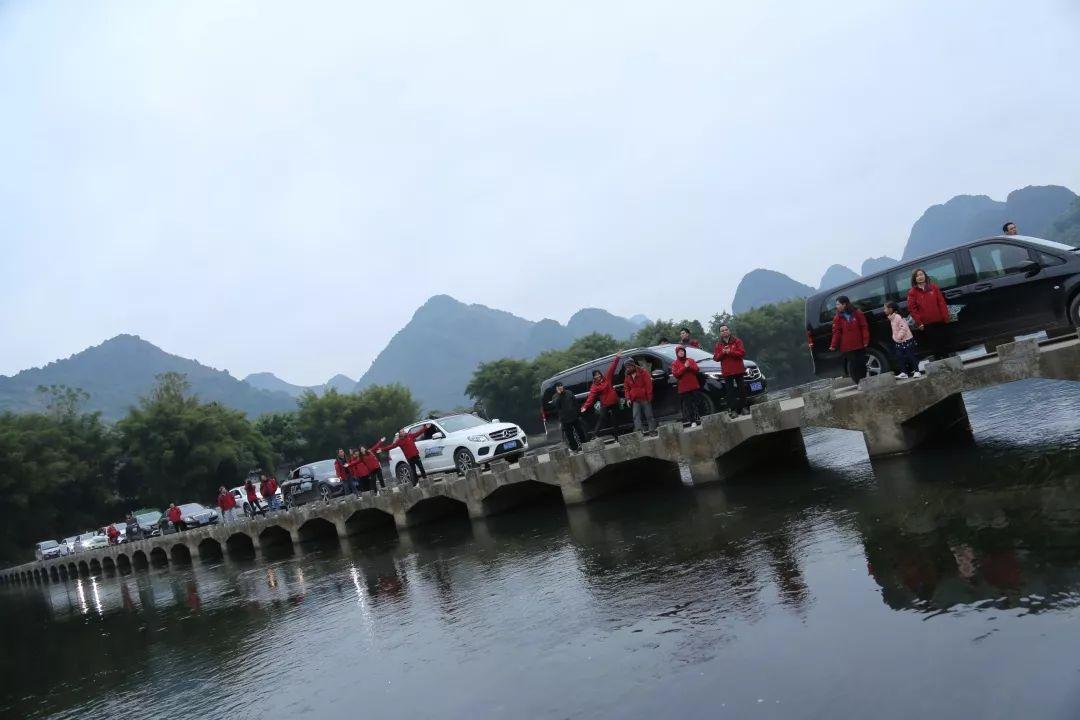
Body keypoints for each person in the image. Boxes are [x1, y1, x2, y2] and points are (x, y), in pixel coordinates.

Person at [906, 267, 950, 360]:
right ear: (914, 279)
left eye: (921, 274)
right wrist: (919, 322)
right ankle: (938, 361)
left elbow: (941, 302)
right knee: (933, 343)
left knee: (943, 340)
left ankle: (947, 359)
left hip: (939, 319)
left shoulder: (933, 287)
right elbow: (912, 309)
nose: (920, 277)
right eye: (917, 276)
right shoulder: (912, 292)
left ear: (925, 276)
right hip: (926, 323)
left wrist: (945, 316)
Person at [828, 295, 870, 383]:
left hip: (859, 344)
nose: (837, 306)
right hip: (847, 347)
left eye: (838, 304)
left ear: (844, 304)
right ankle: (858, 383)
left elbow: (864, 326)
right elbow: (836, 332)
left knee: (862, 363)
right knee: (854, 365)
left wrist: (865, 340)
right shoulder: (837, 317)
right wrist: (833, 345)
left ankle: (864, 380)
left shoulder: (857, 313)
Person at [580, 353, 621, 439]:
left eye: (598, 374)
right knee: (601, 418)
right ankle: (594, 435)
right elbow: (591, 397)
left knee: (615, 419)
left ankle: (617, 437)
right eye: (595, 375)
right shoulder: (594, 386)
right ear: (594, 377)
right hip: (605, 404)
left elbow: (612, 367)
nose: (598, 376)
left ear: (601, 374)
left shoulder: (607, 378)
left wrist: (617, 357)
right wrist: (585, 406)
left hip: (614, 401)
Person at [712, 324, 748, 418]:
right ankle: (733, 410)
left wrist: (730, 352)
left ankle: (744, 407)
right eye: (722, 330)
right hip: (727, 371)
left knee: (741, 389)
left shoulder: (737, 341)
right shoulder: (718, 344)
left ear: (729, 330)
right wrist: (723, 352)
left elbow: (742, 353)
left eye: (726, 329)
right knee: (730, 392)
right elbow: (716, 358)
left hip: (738, 369)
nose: (724, 331)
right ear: (720, 333)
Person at [548, 382, 588, 451]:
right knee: (570, 436)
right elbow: (556, 405)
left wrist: (578, 413)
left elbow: (575, 403)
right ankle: (575, 449)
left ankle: (585, 445)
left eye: (561, 385)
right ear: (556, 388)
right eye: (558, 386)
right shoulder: (555, 396)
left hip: (574, 416)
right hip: (565, 419)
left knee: (580, 431)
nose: (560, 387)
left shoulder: (569, 392)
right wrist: (560, 394)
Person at [885, 301, 920, 378]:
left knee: (911, 355)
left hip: (906, 340)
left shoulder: (897, 317)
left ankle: (917, 371)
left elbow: (903, 328)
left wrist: (898, 337)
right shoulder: (892, 318)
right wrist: (895, 338)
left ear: (891, 309)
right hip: (899, 341)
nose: (884, 310)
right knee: (899, 356)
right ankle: (903, 372)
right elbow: (895, 330)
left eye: (886, 308)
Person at [671, 345, 704, 425]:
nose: (681, 353)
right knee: (688, 406)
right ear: (677, 353)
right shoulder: (675, 363)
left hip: (694, 385)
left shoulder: (690, 360)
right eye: (679, 352)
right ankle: (693, 421)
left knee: (698, 402)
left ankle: (702, 418)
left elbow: (696, 369)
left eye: (682, 351)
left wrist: (689, 367)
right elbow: (676, 374)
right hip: (684, 388)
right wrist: (684, 367)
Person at [622, 358, 656, 434]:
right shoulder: (627, 375)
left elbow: (648, 385)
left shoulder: (643, 372)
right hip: (635, 399)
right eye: (626, 367)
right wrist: (628, 399)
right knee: (635, 416)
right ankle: (639, 433)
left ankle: (652, 431)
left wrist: (649, 396)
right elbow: (626, 388)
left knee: (649, 415)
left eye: (629, 366)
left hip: (645, 398)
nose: (628, 368)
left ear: (633, 365)